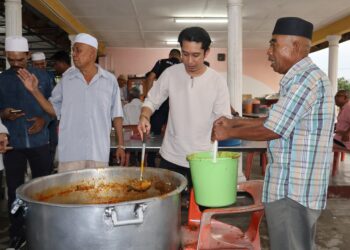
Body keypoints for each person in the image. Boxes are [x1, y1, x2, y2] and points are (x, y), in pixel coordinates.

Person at [212, 17, 335, 250]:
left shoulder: (305, 80)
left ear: (295, 47)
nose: (268, 52)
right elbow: (277, 120)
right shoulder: (301, 79)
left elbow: (273, 128)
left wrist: (228, 130)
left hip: (293, 193)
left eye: (273, 44)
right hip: (295, 190)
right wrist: (235, 121)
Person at [18, 33, 126, 172]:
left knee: (96, 192)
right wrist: (34, 91)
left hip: (98, 152)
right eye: (73, 50)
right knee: (69, 192)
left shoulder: (109, 81)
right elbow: (52, 109)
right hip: (70, 154)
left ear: (92, 53)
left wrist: (121, 146)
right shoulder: (67, 80)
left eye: (78, 50)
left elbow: (117, 115)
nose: (74, 54)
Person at [138, 27, 231, 186]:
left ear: (206, 52)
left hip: (204, 158)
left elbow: (224, 118)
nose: (189, 61)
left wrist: (223, 125)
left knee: (204, 207)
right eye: (185, 54)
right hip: (172, 155)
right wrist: (144, 116)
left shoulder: (217, 81)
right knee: (169, 207)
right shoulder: (170, 74)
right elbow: (152, 101)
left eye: (196, 55)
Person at [0, 36, 53, 248]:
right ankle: (17, 231)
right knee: (14, 190)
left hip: (39, 142)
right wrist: (3, 113)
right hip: (14, 144)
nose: (15, 64)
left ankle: (45, 228)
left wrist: (44, 119)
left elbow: (55, 107)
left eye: (20, 60)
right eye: (11, 59)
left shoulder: (44, 77)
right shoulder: (2, 79)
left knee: (43, 187)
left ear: (28, 56)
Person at [145, 49, 181, 166]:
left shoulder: (161, 62)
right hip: (175, 104)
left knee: (153, 134)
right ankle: (175, 163)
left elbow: (150, 77)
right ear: (179, 57)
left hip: (160, 103)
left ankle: (151, 164)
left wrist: (149, 96)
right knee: (176, 134)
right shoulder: (182, 65)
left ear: (170, 55)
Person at [32, 51, 59, 171]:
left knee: (52, 143)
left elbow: (54, 98)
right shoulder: (28, 77)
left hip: (50, 117)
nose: (39, 67)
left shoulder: (50, 76)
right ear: (32, 64)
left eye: (41, 64)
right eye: (36, 64)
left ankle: (48, 169)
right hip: (35, 117)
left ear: (45, 63)